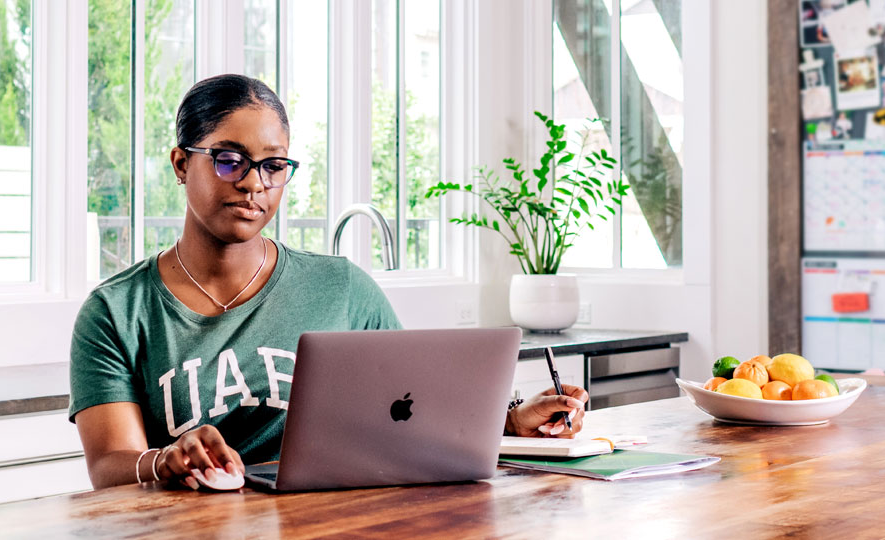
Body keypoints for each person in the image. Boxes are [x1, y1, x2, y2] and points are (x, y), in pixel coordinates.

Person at [68, 74, 588, 491]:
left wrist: (512, 420)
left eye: (273, 165)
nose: (254, 183)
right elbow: (110, 464)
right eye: (230, 161)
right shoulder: (116, 312)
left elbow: (415, 411)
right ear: (182, 164)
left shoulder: (341, 288)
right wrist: (163, 461)